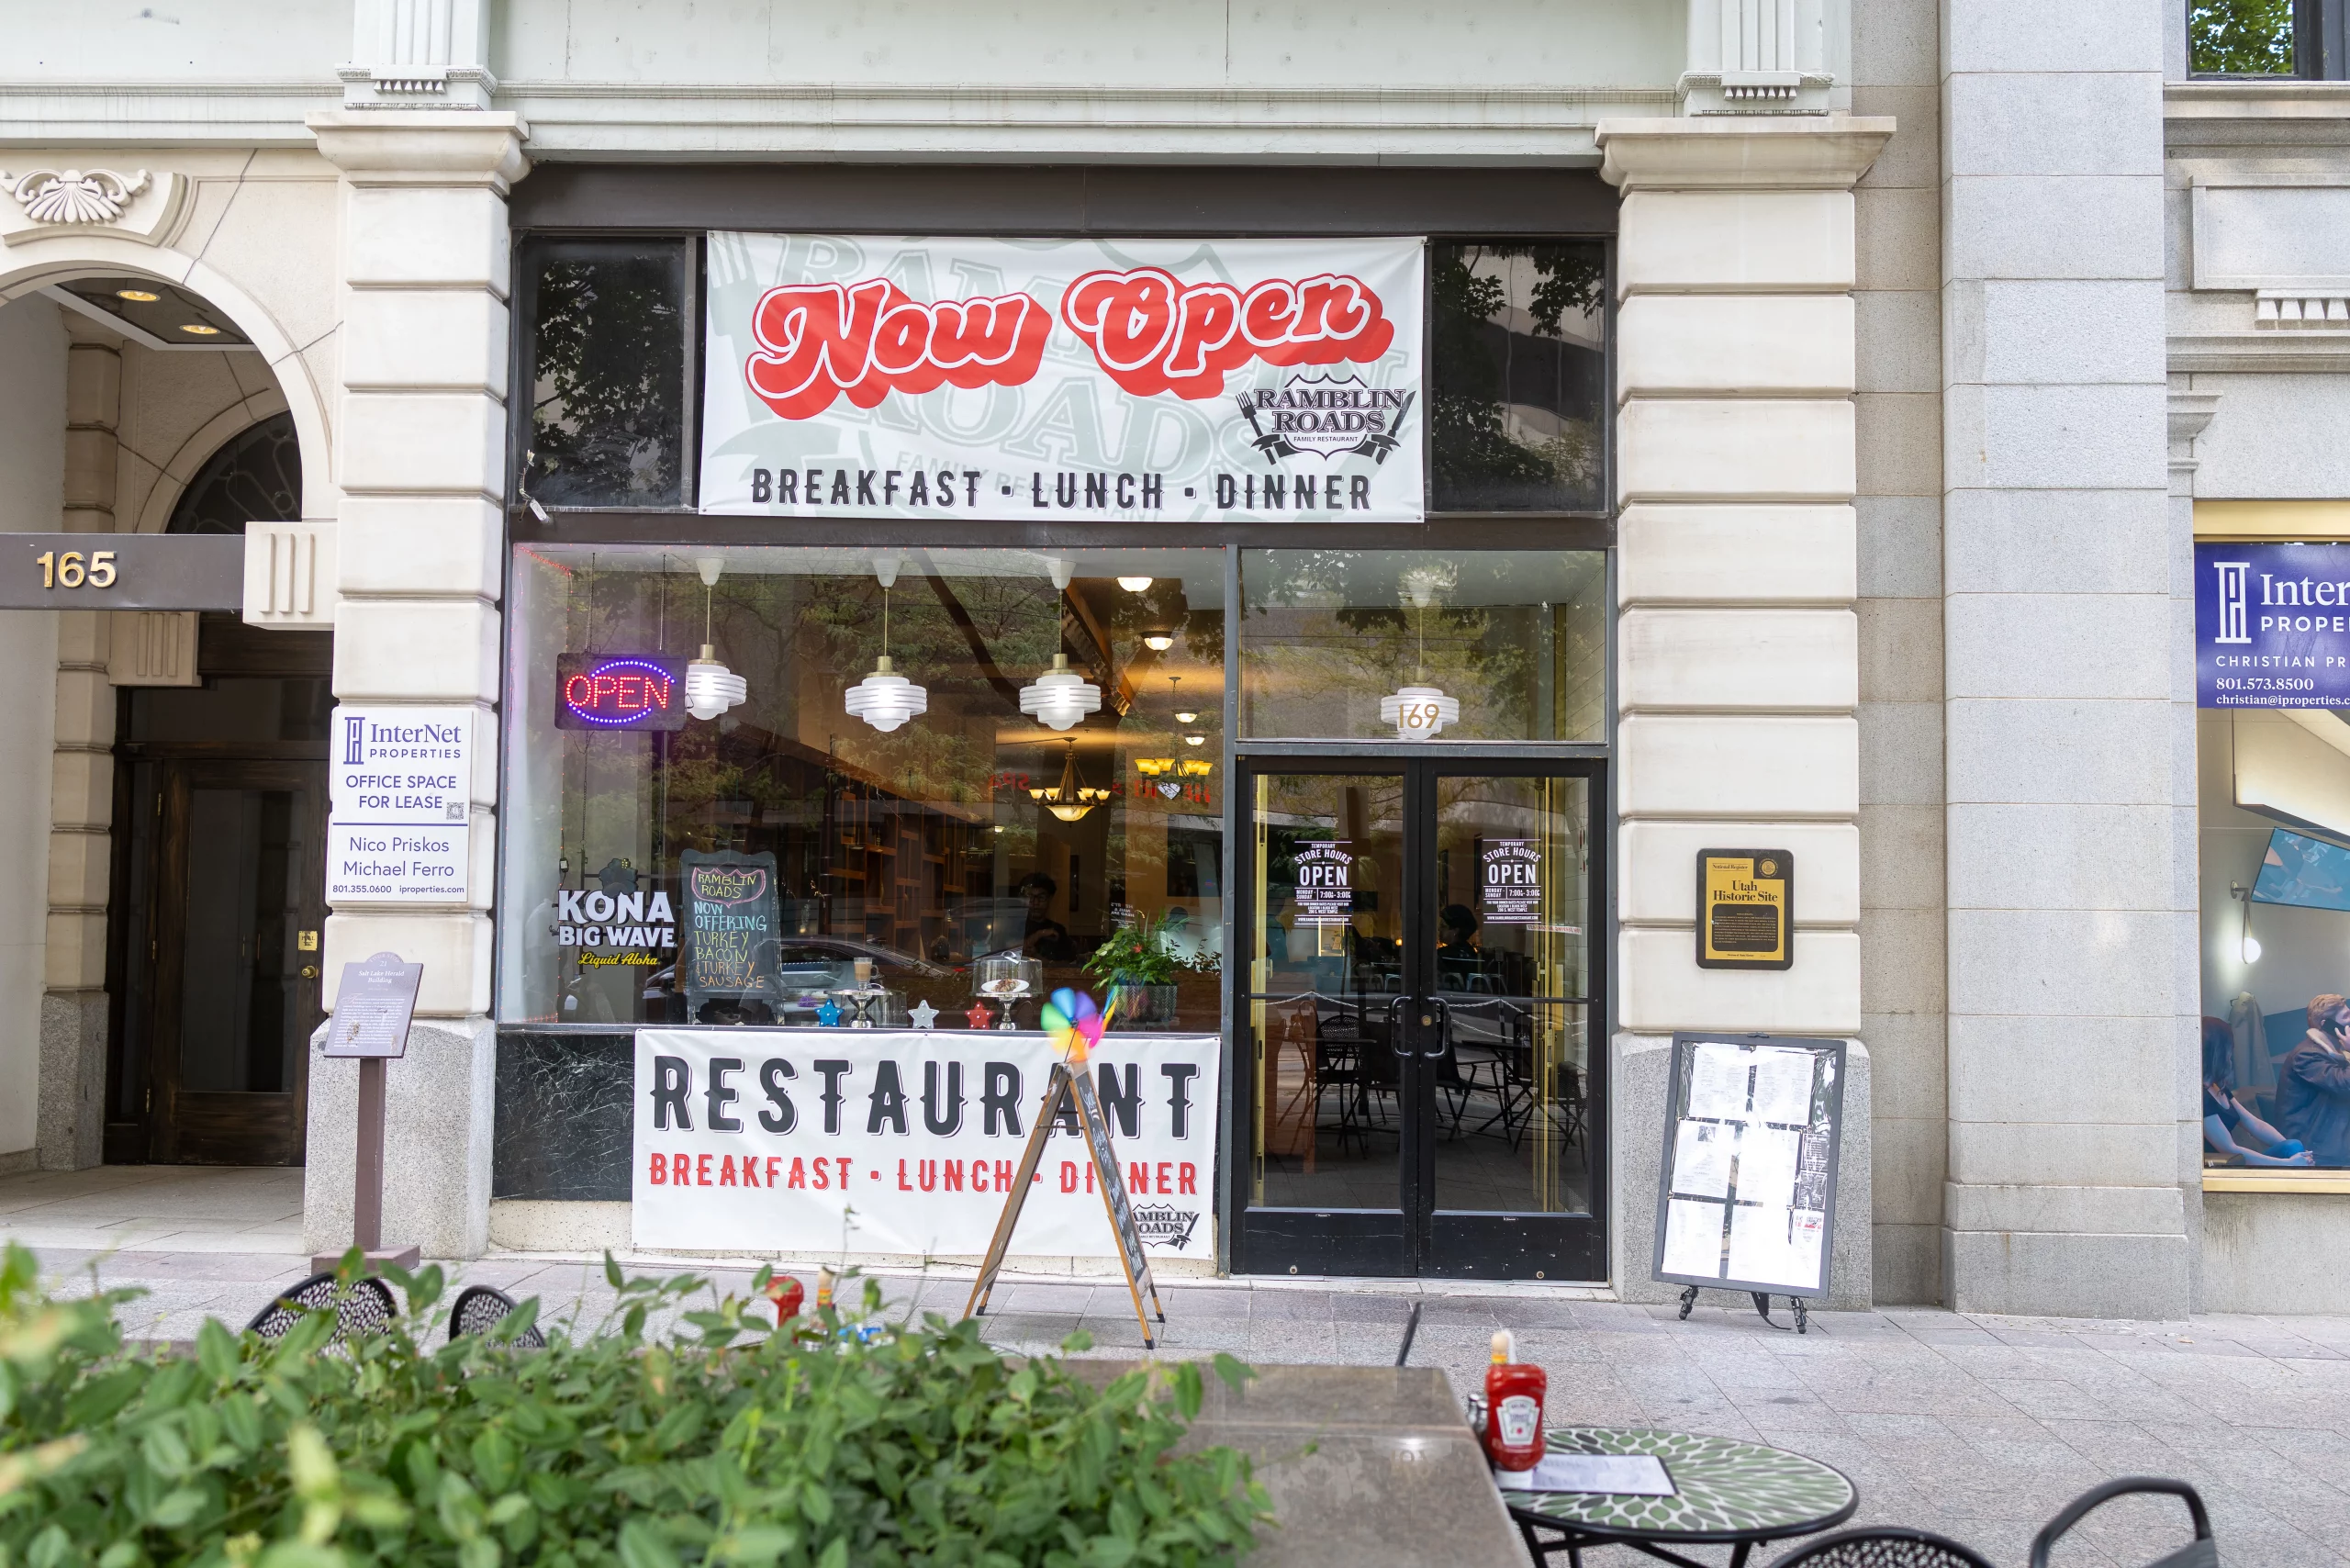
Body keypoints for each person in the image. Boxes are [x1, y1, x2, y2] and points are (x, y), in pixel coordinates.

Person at [2201, 1016, 2312, 1167]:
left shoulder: (2217, 1087)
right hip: (2225, 1169)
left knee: (2292, 1146)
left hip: (2237, 1163)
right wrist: (2287, 1163)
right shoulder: (2201, 1097)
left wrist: (2298, 1155)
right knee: (2293, 1155)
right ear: (2220, 1050)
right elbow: (2228, 1148)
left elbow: (2255, 1125)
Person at [2275, 994, 2350, 1167]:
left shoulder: (2332, 1052)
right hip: (2316, 1150)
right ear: (2327, 1025)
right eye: (2346, 1017)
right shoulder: (2307, 1055)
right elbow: (2345, 1084)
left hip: (2333, 1144)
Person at [1017, 872, 1076, 963]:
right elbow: (1013, 952)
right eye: (1030, 897)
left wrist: (1036, 956)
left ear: (1050, 898)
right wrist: (1039, 934)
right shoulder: (1014, 927)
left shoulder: (1059, 931)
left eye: (1041, 897)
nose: (1035, 902)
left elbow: (1066, 967)